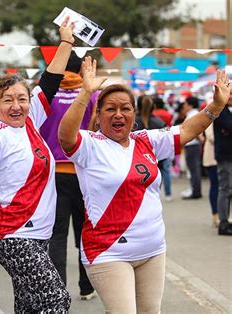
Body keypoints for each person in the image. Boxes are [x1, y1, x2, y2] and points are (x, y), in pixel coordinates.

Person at [58, 56, 230, 313]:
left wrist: (215, 107)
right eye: (110, 109)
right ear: (99, 114)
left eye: (125, 108)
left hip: (153, 249)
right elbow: (65, 136)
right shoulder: (89, 145)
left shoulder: (145, 140)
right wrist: (85, 93)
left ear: (134, 113)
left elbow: (186, 131)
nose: (119, 114)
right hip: (109, 252)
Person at [0, 18, 75, 313]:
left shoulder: (32, 120)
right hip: (12, 233)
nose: (16, 106)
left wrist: (66, 42)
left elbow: (50, 80)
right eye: (8, 100)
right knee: (56, 300)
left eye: (21, 99)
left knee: (29, 304)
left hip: (39, 232)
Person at [39, 51, 97, 300]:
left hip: (54, 174)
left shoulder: (46, 95)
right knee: (85, 232)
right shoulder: (91, 94)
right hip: (84, 173)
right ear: (81, 69)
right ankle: (86, 287)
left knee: (57, 235)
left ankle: (58, 289)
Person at [214, 86, 232, 235]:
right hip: (225, 156)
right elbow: (229, 126)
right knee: (225, 189)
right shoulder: (220, 111)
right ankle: (223, 222)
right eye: (230, 93)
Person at [182, 96, 203, 199]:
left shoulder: (192, 115)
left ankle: (195, 191)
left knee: (193, 169)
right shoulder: (194, 113)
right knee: (194, 168)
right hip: (192, 144)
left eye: (185, 104)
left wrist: (200, 139)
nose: (184, 106)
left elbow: (197, 130)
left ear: (190, 105)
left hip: (192, 145)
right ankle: (195, 189)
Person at [203, 125, 219, 227]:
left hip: (223, 158)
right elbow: (211, 137)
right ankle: (215, 215)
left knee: (224, 188)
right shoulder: (211, 120)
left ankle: (223, 215)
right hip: (212, 159)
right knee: (215, 186)